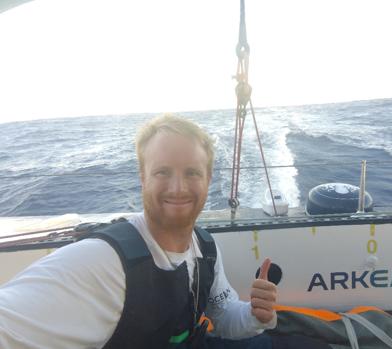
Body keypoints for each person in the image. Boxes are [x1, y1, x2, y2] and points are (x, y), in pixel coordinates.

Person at [0, 114, 278, 349]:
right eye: (163, 172)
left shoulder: (205, 247)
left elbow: (224, 313)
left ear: (208, 179)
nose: (178, 188)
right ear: (142, 177)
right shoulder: (103, 261)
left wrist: (255, 315)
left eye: (192, 172)